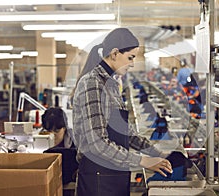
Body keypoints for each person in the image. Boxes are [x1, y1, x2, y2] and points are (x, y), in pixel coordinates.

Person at [71, 28, 172, 196]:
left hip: (114, 175)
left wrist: (157, 154)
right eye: (130, 57)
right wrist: (143, 160)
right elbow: (97, 144)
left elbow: (126, 132)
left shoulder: (111, 84)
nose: (132, 64)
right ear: (115, 53)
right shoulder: (92, 84)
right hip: (98, 179)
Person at [41, 107, 78, 187]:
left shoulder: (73, 146)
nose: (53, 134)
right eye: (49, 131)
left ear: (65, 128)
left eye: (56, 131)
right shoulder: (40, 141)